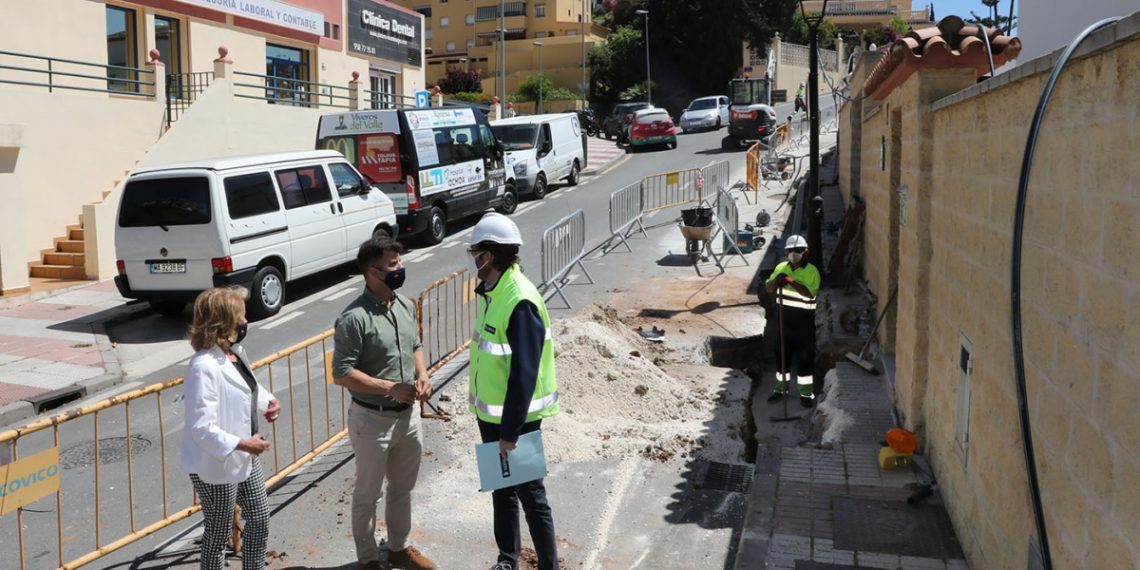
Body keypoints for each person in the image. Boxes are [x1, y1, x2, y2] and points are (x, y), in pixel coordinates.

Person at [333, 235, 436, 570]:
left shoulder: (404, 305)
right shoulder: (354, 319)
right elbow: (342, 373)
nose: (400, 268)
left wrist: (423, 374)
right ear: (373, 273)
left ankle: (398, 547)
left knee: (402, 488)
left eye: (400, 262)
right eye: (393, 265)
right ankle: (366, 560)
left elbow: (415, 344)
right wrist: (389, 387)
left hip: (408, 418)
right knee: (367, 494)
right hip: (372, 420)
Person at [466, 213, 560, 570]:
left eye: (475, 251)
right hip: (490, 416)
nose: (472, 257)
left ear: (488, 255)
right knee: (502, 491)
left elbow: (524, 373)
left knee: (531, 496)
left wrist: (509, 433)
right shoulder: (494, 291)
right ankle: (508, 559)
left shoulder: (519, 300)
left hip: (516, 422)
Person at [181, 286, 281, 570]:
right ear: (223, 321)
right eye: (241, 315)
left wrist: (269, 402)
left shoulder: (234, 352)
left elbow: (249, 387)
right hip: (217, 462)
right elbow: (201, 428)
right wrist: (243, 444)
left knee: (259, 517)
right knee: (218, 530)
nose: (245, 321)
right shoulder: (203, 366)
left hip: (244, 456)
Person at [764, 235, 821, 408]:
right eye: (791, 251)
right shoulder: (781, 267)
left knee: (804, 359)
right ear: (786, 252)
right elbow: (768, 288)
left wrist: (790, 281)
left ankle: (805, 394)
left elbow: (809, 293)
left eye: (798, 251)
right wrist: (777, 281)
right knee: (781, 357)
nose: (794, 254)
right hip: (784, 322)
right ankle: (780, 390)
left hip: (804, 324)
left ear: (805, 252)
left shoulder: (812, 271)